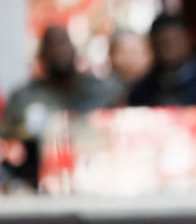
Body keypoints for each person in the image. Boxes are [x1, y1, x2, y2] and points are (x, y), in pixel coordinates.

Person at [1, 25, 118, 189]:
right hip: (37, 186)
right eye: (51, 45)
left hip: (98, 179)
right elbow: (8, 145)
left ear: (74, 49)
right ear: (41, 55)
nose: (58, 51)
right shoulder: (23, 98)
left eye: (63, 43)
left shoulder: (100, 91)